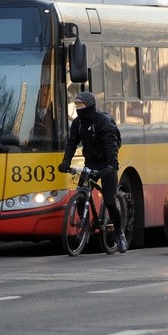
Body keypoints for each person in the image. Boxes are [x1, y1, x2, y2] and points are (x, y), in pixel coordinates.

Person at [58, 91, 128, 253]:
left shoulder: (103, 122)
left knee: (110, 202)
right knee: (81, 192)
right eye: (76, 105)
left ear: (89, 106)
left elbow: (111, 146)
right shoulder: (78, 123)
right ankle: (84, 223)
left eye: (80, 105)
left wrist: (110, 166)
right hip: (90, 163)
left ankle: (119, 233)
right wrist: (66, 162)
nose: (77, 108)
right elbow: (72, 143)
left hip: (107, 165)